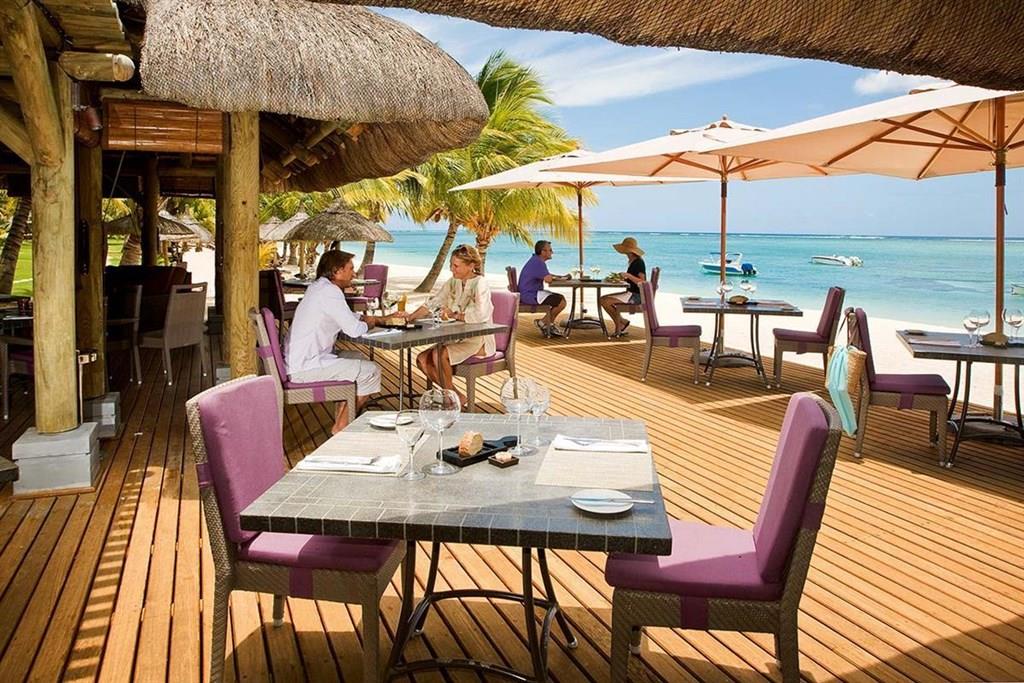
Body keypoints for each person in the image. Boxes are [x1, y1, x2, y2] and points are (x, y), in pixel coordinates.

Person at [285, 250, 384, 433]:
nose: (354, 274)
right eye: (350, 269)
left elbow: (343, 315)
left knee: (358, 357)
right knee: (371, 371)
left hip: (298, 359)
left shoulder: (319, 287)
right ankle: (341, 428)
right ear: (337, 271)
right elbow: (354, 330)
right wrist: (369, 323)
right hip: (304, 367)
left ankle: (342, 419)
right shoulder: (330, 292)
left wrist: (371, 319)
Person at [405, 245, 494, 408]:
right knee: (422, 359)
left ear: (471, 266)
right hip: (455, 337)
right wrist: (411, 317)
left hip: (477, 339)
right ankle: (456, 396)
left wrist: (455, 315)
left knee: (439, 355)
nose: (452, 269)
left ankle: (449, 401)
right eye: (451, 264)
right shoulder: (453, 282)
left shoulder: (480, 284)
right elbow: (434, 302)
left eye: (456, 266)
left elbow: (482, 315)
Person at [518, 240, 569, 337]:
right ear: (543, 251)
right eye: (550, 250)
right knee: (561, 302)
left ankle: (548, 324)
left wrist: (560, 277)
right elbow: (548, 279)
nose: (552, 252)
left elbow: (547, 275)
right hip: (530, 295)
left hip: (530, 293)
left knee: (560, 298)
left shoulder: (536, 260)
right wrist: (561, 278)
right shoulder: (538, 263)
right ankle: (543, 322)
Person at [599, 236, 647, 337]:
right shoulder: (633, 261)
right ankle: (622, 322)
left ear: (629, 251)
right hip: (631, 293)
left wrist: (628, 275)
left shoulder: (638, 263)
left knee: (604, 301)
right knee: (603, 299)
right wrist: (623, 278)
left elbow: (642, 282)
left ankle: (620, 324)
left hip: (636, 296)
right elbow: (632, 280)